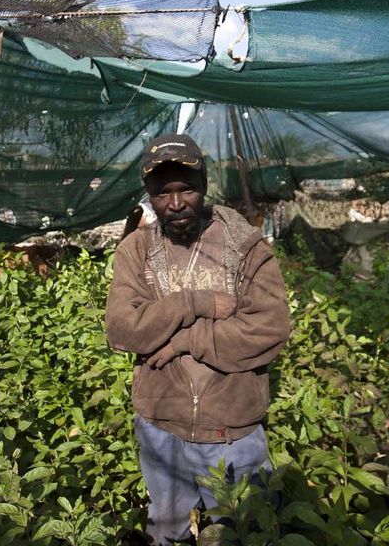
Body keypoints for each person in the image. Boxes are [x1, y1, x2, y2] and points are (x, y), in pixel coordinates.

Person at [105, 134, 291, 544]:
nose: (175, 203)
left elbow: (269, 329)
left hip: (232, 429)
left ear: (204, 185)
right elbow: (122, 330)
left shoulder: (244, 246)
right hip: (161, 427)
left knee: (244, 531)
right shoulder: (135, 251)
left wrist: (184, 341)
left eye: (186, 188)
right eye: (162, 192)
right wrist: (194, 302)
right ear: (149, 194)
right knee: (167, 530)